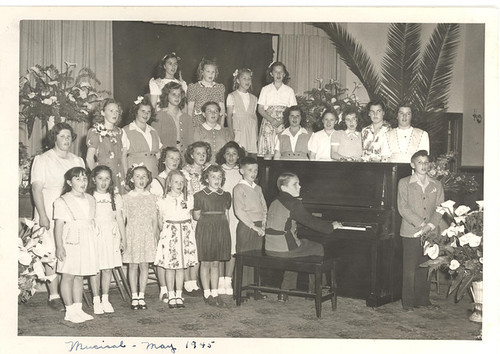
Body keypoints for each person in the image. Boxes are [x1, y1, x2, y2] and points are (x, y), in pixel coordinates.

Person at [30, 122, 85, 311]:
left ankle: (68, 292)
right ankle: (54, 295)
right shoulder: (43, 159)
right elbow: (37, 189)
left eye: (69, 136)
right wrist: (43, 216)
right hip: (49, 210)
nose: (66, 140)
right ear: (54, 137)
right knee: (51, 252)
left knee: (68, 251)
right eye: (62, 136)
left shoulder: (77, 160)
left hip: (71, 212)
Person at [265, 172, 341, 301]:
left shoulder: (275, 201)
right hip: (284, 248)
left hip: (269, 247)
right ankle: (316, 289)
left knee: (298, 250)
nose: (299, 187)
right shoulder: (293, 203)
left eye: (299, 184)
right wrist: (331, 226)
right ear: (284, 188)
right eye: (295, 184)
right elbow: (311, 222)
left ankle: (284, 291)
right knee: (317, 248)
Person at [397, 150, 444, 311]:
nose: (423, 165)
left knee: (426, 266)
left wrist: (431, 226)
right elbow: (403, 208)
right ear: (412, 165)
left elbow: (440, 208)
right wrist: (421, 224)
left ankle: (423, 300)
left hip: (431, 232)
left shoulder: (436, 184)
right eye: (419, 162)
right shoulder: (404, 183)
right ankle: (408, 302)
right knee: (409, 268)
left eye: (426, 162)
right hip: (411, 231)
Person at [53, 167, 99, 323]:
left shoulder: (91, 199)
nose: (82, 182)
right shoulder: (62, 201)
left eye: (85, 178)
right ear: (69, 182)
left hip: (87, 240)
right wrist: (59, 246)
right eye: (78, 179)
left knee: (80, 275)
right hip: (71, 240)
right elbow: (58, 226)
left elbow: (92, 221)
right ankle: (69, 310)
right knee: (68, 275)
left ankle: (78, 309)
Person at [155, 170, 198, 309]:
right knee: (170, 267)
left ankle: (179, 294)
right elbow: (161, 221)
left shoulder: (188, 199)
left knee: (181, 267)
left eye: (181, 182)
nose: (179, 185)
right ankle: (171, 293)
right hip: (170, 234)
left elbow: (191, 216)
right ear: (169, 183)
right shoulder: (163, 200)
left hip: (184, 234)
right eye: (176, 182)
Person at [87, 165, 126, 314]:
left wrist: (124, 239)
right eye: (100, 178)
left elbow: (120, 219)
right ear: (94, 180)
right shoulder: (90, 197)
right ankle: (96, 299)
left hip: (111, 235)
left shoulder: (115, 197)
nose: (103, 182)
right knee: (95, 269)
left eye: (107, 179)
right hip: (95, 235)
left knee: (107, 268)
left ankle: (105, 298)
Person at [193, 165, 232, 307]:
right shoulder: (200, 195)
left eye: (219, 177)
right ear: (206, 178)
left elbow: (227, 215)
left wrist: (225, 233)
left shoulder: (226, 195)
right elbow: (196, 216)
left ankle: (215, 293)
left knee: (215, 263)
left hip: (221, 230)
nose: (217, 180)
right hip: (206, 230)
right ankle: (207, 293)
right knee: (205, 262)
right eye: (213, 177)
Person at [122, 164, 159, 310]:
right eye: (137, 176)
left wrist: (154, 236)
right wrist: (123, 238)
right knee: (133, 265)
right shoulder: (126, 198)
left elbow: (154, 219)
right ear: (132, 179)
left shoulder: (152, 197)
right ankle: (134, 296)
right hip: (132, 234)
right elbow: (123, 219)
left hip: (147, 235)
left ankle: (141, 296)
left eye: (144, 176)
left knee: (145, 265)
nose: (141, 179)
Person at [150, 146, 183, 303]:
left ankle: (177, 289)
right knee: (163, 257)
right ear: (164, 160)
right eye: (171, 158)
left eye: (177, 158)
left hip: (180, 225)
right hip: (164, 225)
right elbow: (156, 208)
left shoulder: (182, 178)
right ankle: (164, 288)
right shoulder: (158, 181)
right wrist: (158, 228)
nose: (174, 161)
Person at [233, 156, 268, 300]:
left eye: (255, 170)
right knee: (244, 258)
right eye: (249, 170)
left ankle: (254, 289)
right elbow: (239, 211)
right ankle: (239, 292)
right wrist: (254, 226)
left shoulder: (258, 188)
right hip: (247, 226)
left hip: (259, 226)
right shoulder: (239, 188)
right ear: (241, 171)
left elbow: (264, 207)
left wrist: (264, 223)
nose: (253, 173)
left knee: (256, 260)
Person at [181, 141, 211, 295]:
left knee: (199, 249)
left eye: (204, 154)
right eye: (198, 153)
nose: (201, 156)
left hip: (205, 214)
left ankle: (196, 281)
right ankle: (188, 282)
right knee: (190, 249)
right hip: (191, 214)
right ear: (192, 155)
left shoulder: (209, 170)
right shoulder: (186, 172)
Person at [215, 141, 245, 295]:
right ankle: (220, 280)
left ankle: (228, 280)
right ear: (223, 155)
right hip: (222, 212)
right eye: (228, 154)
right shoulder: (219, 170)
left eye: (234, 154)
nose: (231, 157)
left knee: (233, 247)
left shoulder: (241, 171)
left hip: (237, 213)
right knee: (222, 246)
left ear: (238, 155)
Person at [257, 61, 297, 158]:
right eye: (276, 72)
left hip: (283, 123)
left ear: (284, 74)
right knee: (268, 153)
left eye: (281, 72)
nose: (278, 74)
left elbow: (293, 110)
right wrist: (272, 120)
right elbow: (260, 109)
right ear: (271, 73)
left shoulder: (289, 90)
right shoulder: (265, 89)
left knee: (280, 152)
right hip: (268, 122)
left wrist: (282, 121)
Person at [86, 98, 126, 194]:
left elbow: (123, 157)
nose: (115, 114)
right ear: (103, 112)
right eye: (111, 111)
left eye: (117, 111)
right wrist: (97, 177)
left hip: (119, 174)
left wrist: (126, 177)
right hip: (104, 174)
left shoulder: (120, 132)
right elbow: (89, 159)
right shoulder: (95, 131)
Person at [122, 97, 162, 178]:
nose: (146, 114)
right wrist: (127, 177)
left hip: (153, 172)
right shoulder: (126, 130)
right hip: (136, 175)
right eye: (143, 111)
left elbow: (158, 154)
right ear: (136, 112)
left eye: (148, 112)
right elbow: (123, 156)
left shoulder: (153, 131)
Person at [151, 82, 193, 159]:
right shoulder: (159, 116)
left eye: (179, 95)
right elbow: (155, 141)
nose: (177, 97)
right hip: (165, 159)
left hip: (184, 159)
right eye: (173, 94)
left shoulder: (187, 118)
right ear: (167, 95)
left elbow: (191, 142)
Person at [226, 68, 259, 156]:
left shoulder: (254, 98)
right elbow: (229, 116)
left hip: (250, 130)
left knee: (250, 157)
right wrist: (231, 131)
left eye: (249, 79)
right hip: (239, 130)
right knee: (239, 154)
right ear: (238, 80)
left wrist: (256, 132)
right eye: (244, 78)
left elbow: (254, 116)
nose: (247, 81)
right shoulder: (232, 96)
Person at [187, 58, 226, 128]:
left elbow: (222, 108)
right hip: (198, 124)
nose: (210, 74)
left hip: (215, 123)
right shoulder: (194, 87)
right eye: (208, 71)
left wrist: (222, 125)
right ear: (202, 72)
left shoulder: (219, 88)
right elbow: (190, 108)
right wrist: (189, 126)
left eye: (213, 72)